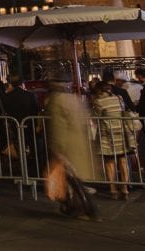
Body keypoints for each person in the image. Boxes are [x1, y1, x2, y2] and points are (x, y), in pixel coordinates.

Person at [45, 82, 98, 219]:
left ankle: (85, 208)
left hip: (66, 145)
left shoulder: (56, 101)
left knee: (72, 179)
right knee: (74, 178)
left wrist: (58, 148)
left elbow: (58, 127)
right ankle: (82, 208)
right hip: (78, 143)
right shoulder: (74, 99)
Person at [90, 82, 131, 199]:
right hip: (121, 133)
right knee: (123, 161)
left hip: (107, 134)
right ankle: (125, 189)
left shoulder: (99, 101)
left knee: (110, 163)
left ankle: (113, 190)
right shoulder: (118, 98)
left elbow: (95, 117)